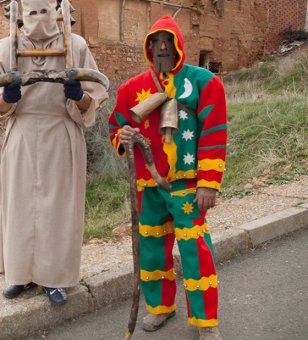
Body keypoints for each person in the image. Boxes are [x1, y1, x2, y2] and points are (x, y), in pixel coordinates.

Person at [0, 0, 108, 305]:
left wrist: (80, 97)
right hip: (21, 135)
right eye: (32, 12)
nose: (38, 18)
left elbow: (96, 95)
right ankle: (20, 275)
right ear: (22, 14)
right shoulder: (5, 48)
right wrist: (6, 98)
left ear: (58, 11)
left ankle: (55, 279)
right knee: (20, 206)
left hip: (60, 133)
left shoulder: (75, 45)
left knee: (57, 209)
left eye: (44, 10)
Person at [108, 15, 227, 340]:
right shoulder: (131, 89)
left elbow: (214, 134)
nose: (161, 48)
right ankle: (160, 307)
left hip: (188, 188)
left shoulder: (204, 82)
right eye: (154, 43)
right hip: (149, 188)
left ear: (177, 46)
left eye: (166, 42)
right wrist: (124, 136)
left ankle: (206, 321)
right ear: (148, 48)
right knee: (152, 250)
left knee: (195, 251)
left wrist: (208, 183)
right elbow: (115, 126)